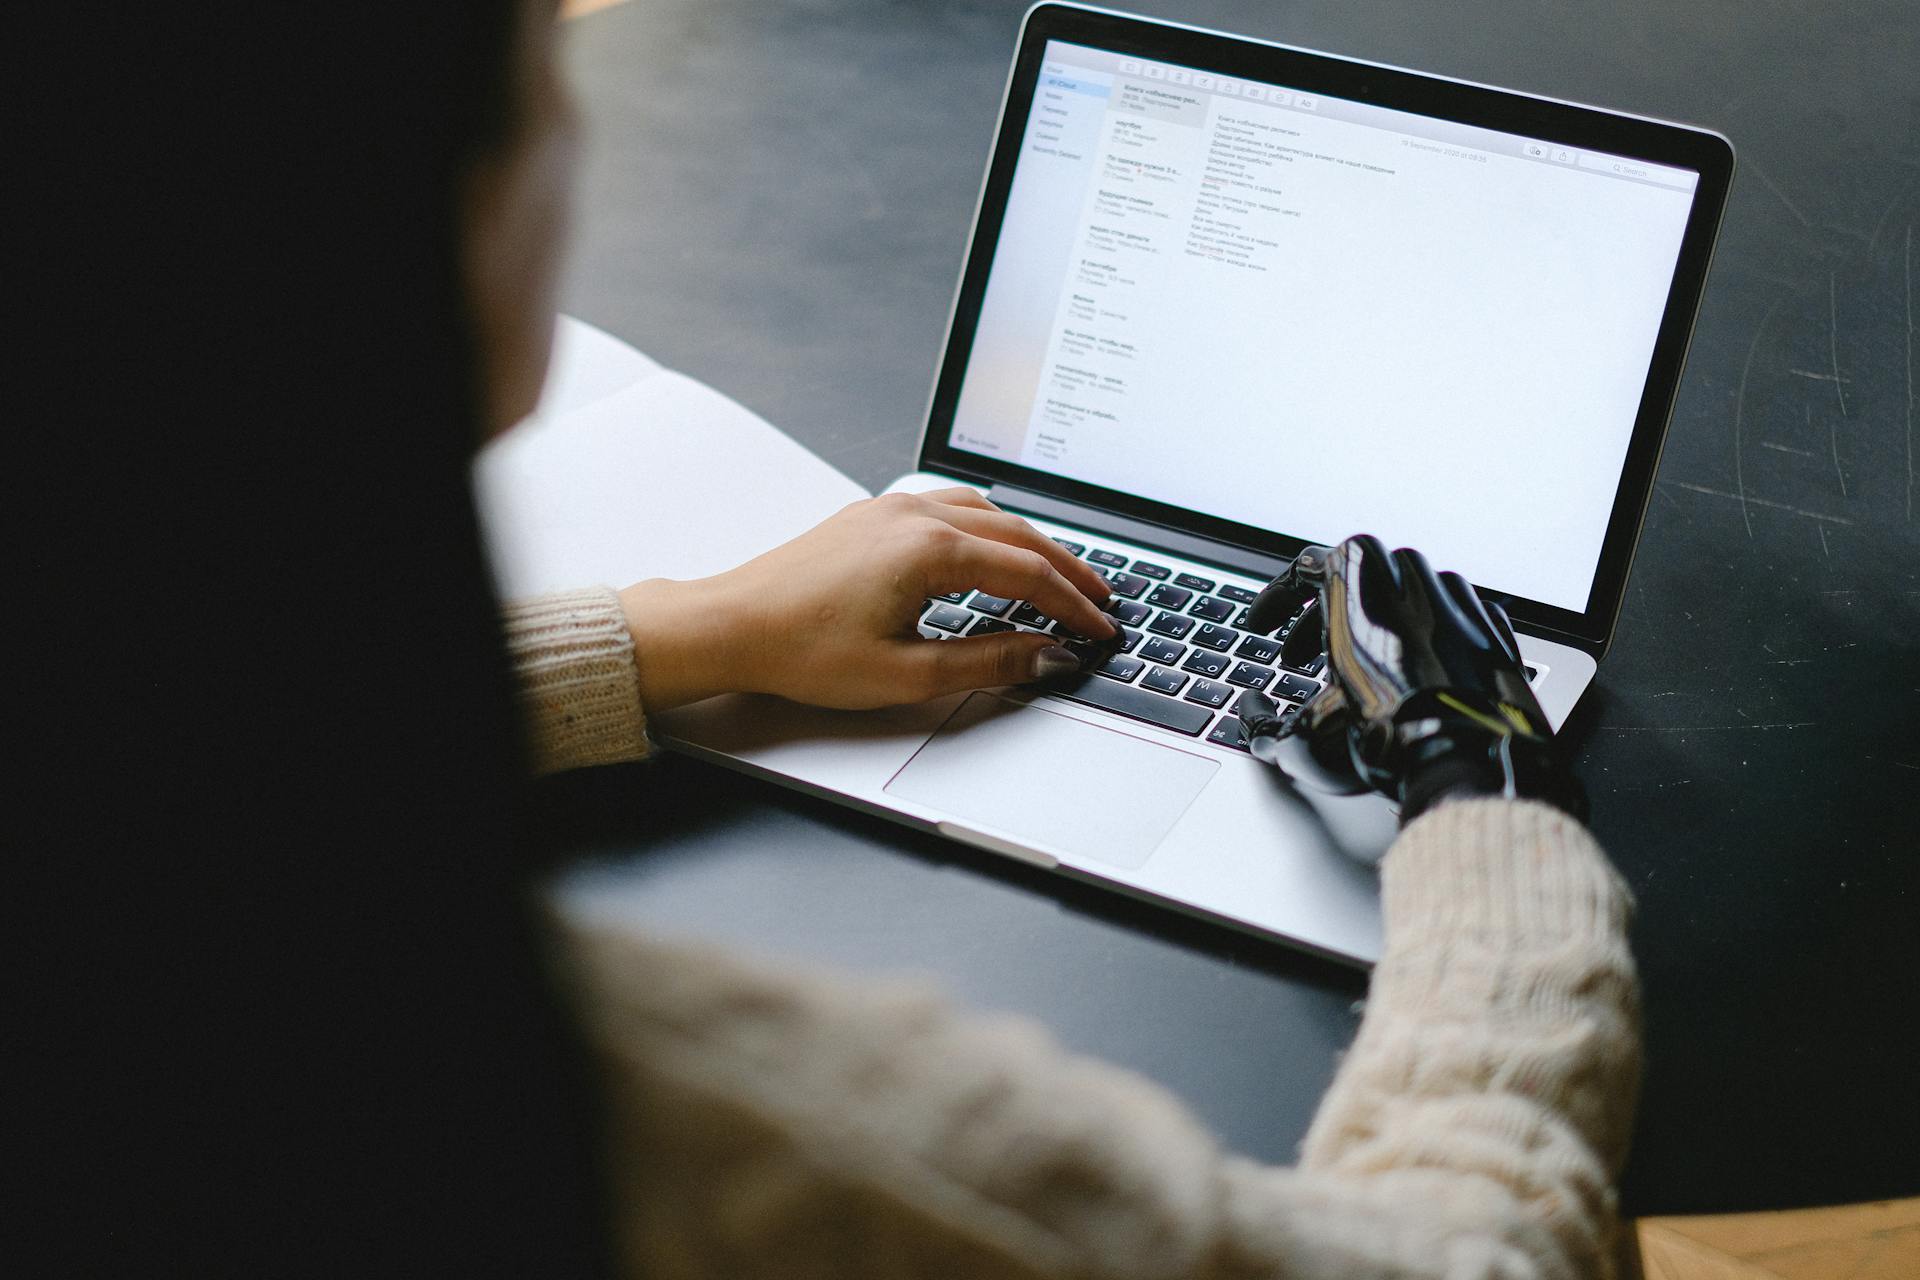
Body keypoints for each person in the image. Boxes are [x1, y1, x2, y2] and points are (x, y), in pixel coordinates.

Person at [19, 2, 1639, 1277]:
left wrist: (688, 632)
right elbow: (1480, 1255)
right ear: (454, 240)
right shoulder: (714, 1143)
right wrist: (1480, 792)